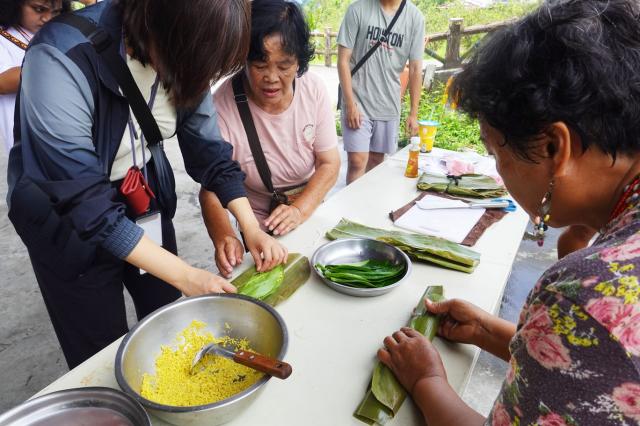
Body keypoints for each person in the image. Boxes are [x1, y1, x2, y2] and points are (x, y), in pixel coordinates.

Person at [378, 0, 640, 424]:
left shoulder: (586, 299)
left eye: (494, 153)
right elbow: (587, 370)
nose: (498, 173)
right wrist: (487, 330)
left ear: (556, 149)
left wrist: (427, 381)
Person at [6, 0, 287, 369]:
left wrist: (250, 227)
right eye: (195, 65)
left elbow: (210, 153)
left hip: (141, 197)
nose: (197, 78)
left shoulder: (188, 56)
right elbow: (86, 204)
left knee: (166, 315)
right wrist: (188, 276)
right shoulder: (59, 56)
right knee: (99, 351)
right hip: (65, 218)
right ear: (156, 26)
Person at [200, 0, 340, 278]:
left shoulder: (313, 90)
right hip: (255, 221)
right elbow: (211, 192)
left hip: (309, 207)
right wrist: (225, 237)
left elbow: (329, 163)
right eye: (260, 64)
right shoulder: (222, 107)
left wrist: (299, 210)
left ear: (299, 60)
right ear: (243, 60)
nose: (272, 78)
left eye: (284, 65)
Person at [337, 0, 425, 184]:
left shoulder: (415, 18)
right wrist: (350, 103)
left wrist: (413, 113)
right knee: (357, 161)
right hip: (357, 101)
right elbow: (343, 60)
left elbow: (416, 69)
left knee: (376, 162)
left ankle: (367, 208)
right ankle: (350, 210)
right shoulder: (357, 10)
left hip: (388, 103)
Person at [0, 0, 68, 153]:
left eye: (56, 11)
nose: (48, 17)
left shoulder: (59, 32)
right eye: (39, 9)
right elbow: (3, 83)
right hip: (24, 147)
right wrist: (61, 65)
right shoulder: (3, 37)